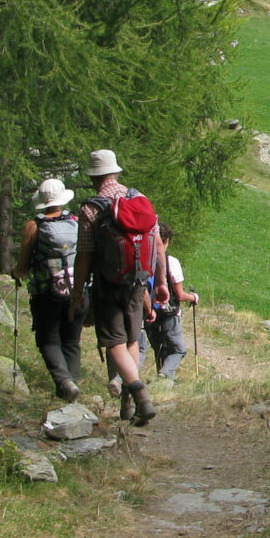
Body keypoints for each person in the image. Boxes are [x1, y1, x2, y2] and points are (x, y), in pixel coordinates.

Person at [68, 149, 168, 425]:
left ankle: (140, 394)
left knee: (114, 343)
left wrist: (77, 294)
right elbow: (157, 244)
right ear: (116, 172)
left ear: (93, 178)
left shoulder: (91, 208)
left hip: (108, 283)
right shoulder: (140, 200)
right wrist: (160, 282)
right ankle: (129, 403)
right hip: (138, 282)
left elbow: (85, 255)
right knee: (133, 340)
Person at [11, 177, 83, 401]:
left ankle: (64, 383)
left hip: (47, 292)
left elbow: (23, 265)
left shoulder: (34, 226)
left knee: (48, 339)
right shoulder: (77, 222)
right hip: (78, 291)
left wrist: (16, 274)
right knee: (71, 341)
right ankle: (72, 386)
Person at [144, 223, 198, 382]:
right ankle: (165, 374)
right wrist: (194, 298)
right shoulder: (171, 262)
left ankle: (163, 382)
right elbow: (180, 295)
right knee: (178, 349)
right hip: (168, 311)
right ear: (165, 240)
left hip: (147, 311)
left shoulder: (143, 259)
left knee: (159, 348)